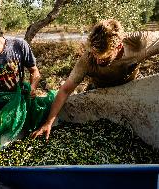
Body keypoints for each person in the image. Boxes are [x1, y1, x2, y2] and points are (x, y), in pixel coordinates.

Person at [31, 19, 159, 140]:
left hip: (129, 88)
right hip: (99, 91)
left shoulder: (138, 43)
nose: (97, 61)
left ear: (119, 47)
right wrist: (48, 123)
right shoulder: (88, 60)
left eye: (103, 58)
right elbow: (65, 90)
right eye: (94, 55)